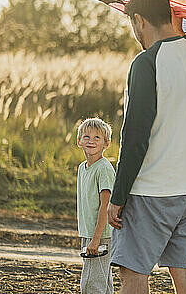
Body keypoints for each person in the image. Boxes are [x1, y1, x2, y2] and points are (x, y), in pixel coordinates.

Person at [107, 0, 186, 294]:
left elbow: (135, 136)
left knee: (132, 270)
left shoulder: (146, 62)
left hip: (151, 190)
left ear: (140, 20)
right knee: (183, 268)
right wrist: (183, 32)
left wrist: (118, 196)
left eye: (132, 23)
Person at [76, 117, 116, 294]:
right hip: (90, 233)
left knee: (91, 285)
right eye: (86, 137)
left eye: (97, 138)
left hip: (100, 235)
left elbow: (105, 205)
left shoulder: (104, 168)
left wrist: (96, 238)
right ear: (79, 142)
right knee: (103, 284)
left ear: (106, 143)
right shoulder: (82, 168)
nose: (90, 141)